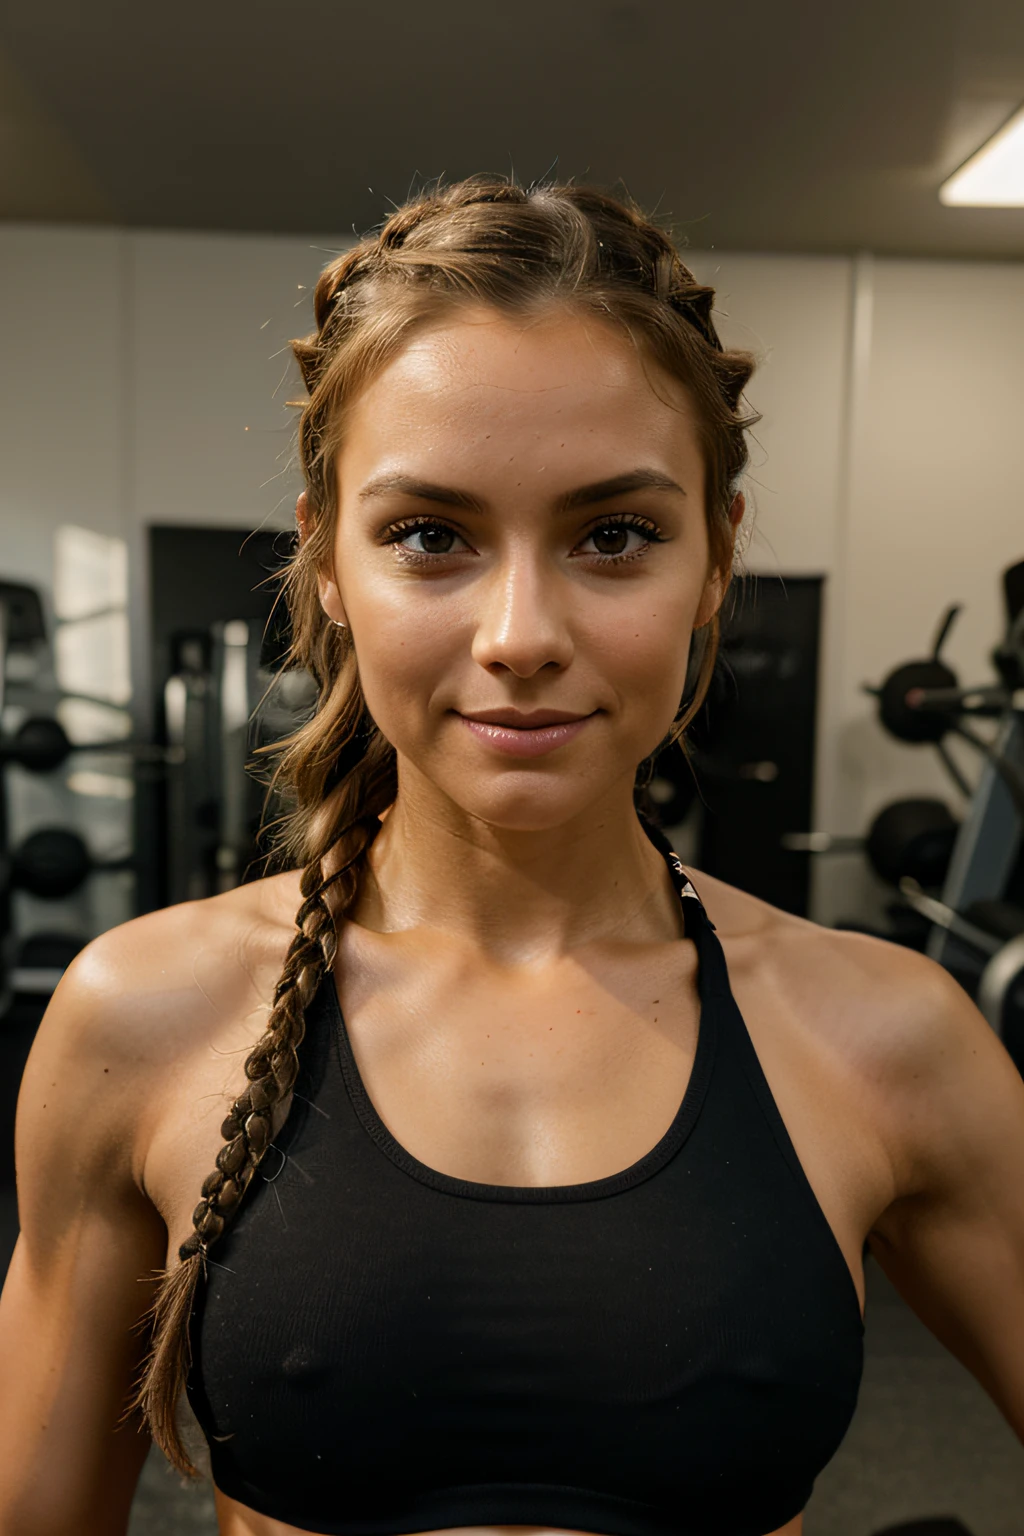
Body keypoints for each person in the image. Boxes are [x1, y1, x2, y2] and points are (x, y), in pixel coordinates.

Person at [1, 177, 1022, 1536]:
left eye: (615, 536)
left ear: (715, 560)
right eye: (433, 537)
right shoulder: (143, 1016)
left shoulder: (891, 1037)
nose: (520, 633)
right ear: (328, 568)